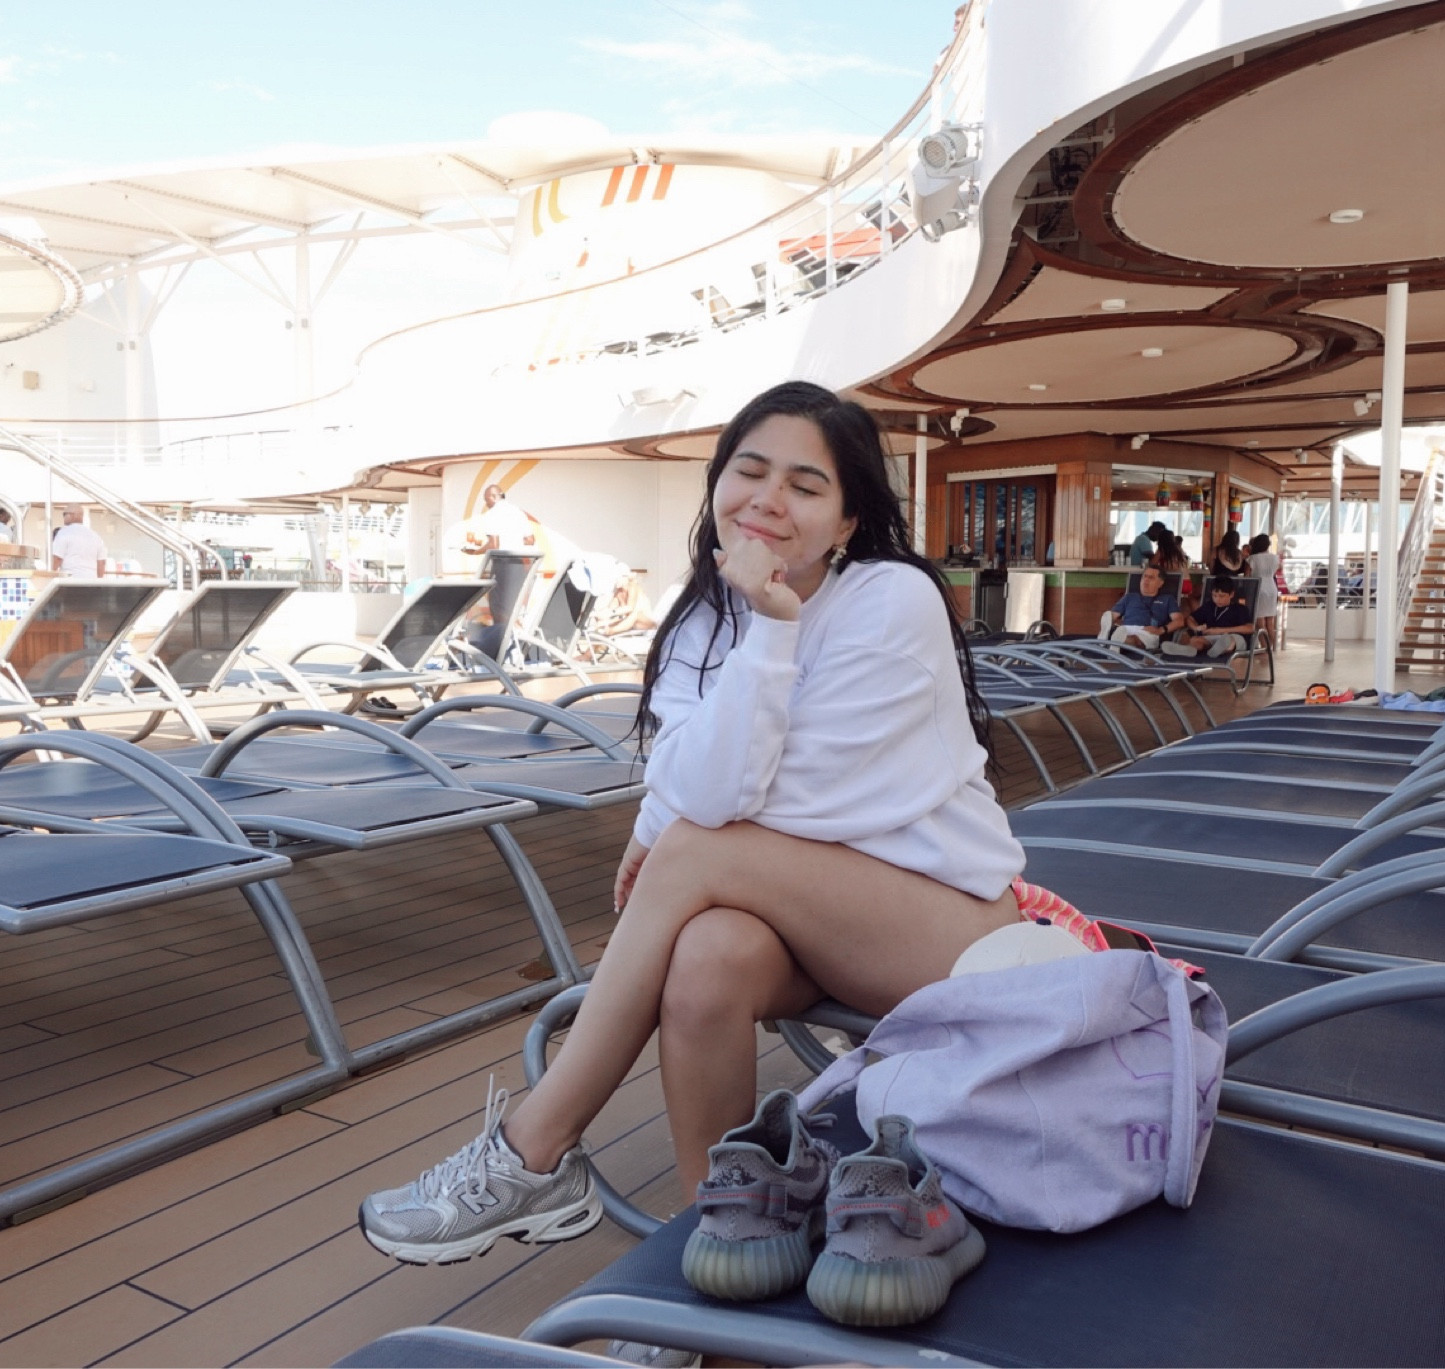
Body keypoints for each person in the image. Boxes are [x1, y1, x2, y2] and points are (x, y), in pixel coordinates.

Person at [357, 380, 1025, 1265]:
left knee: (701, 848)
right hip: (801, 926)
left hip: (949, 930)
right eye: (749, 471)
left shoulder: (890, 600)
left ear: (847, 521)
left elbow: (785, 800)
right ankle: (724, 1243)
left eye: (805, 484)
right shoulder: (701, 620)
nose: (768, 499)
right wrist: (672, 814)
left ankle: (533, 1147)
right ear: (717, 486)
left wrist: (674, 823)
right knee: (706, 956)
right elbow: (699, 785)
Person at [1100, 565, 1183, 649]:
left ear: (1160, 583)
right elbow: (1112, 616)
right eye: (1144, 576)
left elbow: (1179, 621)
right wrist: (1108, 621)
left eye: (1151, 578)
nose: (1146, 580)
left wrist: (1161, 630)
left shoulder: (1167, 599)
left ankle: (1115, 641)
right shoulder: (1129, 597)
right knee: (1109, 617)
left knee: (1130, 638)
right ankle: (1113, 637)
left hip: (1148, 632)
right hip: (1127, 629)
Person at [1171, 577, 1253, 657]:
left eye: (1221, 596)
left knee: (1229, 640)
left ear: (1231, 594)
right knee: (1196, 640)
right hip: (1211, 638)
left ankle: (1219, 648)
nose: (1217, 599)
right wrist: (1196, 628)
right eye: (1214, 596)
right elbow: (1190, 618)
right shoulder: (1209, 606)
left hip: (1233, 636)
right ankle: (1187, 650)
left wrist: (1220, 631)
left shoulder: (1240, 609)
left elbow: (1250, 628)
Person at [48, 504, 107, 578]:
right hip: (91, 580)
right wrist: (99, 580)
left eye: (64, 514)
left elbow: (57, 558)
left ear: (72, 515)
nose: (63, 517)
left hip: (70, 579)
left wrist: (49, 576)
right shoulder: (96, 536)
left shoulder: (64, 533)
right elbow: (102, 562)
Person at [1245, 533, 1282, 645]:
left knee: (1260, 622)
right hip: (1272, 587)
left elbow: (1247, 576)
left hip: (1258, 588)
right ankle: (1272, 647)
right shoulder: (1275, 558)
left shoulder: (1252, 558)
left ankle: (1265, 647)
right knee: (1270, 622)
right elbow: (1276, 571)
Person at [476, 483, 536, 553]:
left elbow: (494, 546)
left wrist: (476, 552)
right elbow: (530, 540)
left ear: (494, 497)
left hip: (500, 559)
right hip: (518, 559)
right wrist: (512, 541)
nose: (486, 504)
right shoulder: (519, 512)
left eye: (487, 500)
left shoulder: (491, 514)